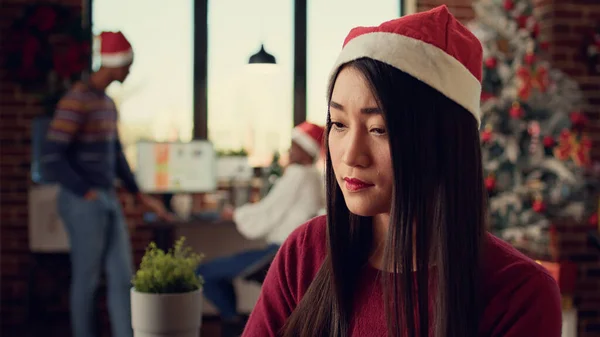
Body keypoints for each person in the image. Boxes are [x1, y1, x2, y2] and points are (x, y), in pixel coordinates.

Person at [242, 6, 562, 337]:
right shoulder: (305, 254)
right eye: (338, 124)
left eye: (380, 129)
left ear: (443, 140)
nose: (351, 155)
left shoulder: (519, 293)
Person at [41, 31, 172, 337]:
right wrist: (85, 192)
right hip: (82, 200)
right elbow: (51, 156)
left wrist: (140, 196)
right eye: (129, 64)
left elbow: (116, 156)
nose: (129, 71)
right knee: (86, 279)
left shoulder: (107, 103)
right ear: (116, 64)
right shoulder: (76, 99)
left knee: (122, 277)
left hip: (108, 198)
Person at [197, 121, 325, 337]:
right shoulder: (311, 175)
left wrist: (235, 214)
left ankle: (234, 326)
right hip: (283, 250)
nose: (289, 150)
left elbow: (269, 211)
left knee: (205, 273)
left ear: (305, 150)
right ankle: (235, 324)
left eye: (294, 145)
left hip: (277, 252)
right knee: (216, 274)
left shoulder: (298, 174)